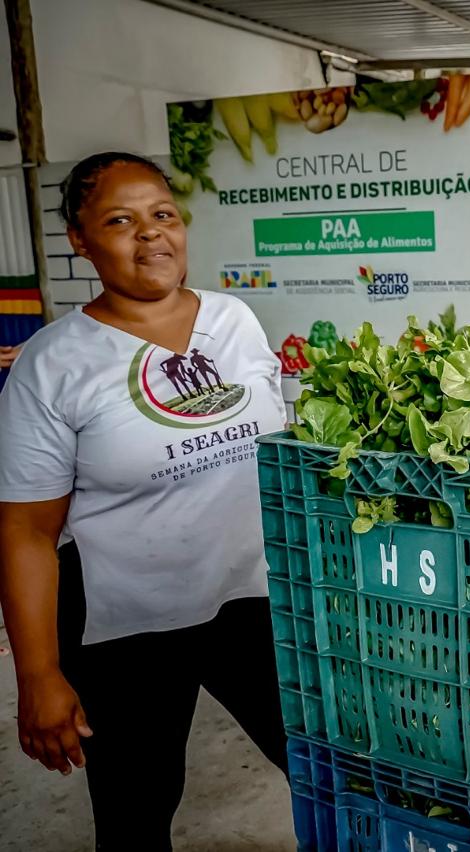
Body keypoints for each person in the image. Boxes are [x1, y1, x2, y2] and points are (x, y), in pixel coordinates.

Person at [0, 152, 288, 851]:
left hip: (252, 601)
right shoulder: (53, 365)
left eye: (163, 215)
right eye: (120, 220)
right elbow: (27, 533)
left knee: (328, 767)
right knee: (136, 812)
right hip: (127, 628)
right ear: (80, 238)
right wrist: (37, 674)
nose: (150, 235)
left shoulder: (235, 320)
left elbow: (280, 458)